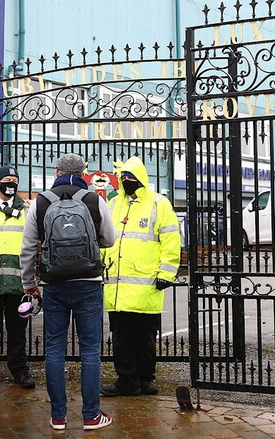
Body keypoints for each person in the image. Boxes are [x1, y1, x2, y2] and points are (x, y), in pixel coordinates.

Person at [19, 153, 117, 431]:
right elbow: (109, 239)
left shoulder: (41, 202)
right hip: (88, 281)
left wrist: (29, 282)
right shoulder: (94, 200)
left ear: (57, 171)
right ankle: (91, 416)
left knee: (54, 348)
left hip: (54, 283)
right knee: (90, 350)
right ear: (84, 173)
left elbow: (28, 247)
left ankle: (58, 417)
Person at [100, 157, 181, 396]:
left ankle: (145, 379)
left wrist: (167, 272)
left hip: (147, 284)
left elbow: (171, 239)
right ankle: (128, 379)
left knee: (145, 336)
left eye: (131, 177)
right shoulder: (114, 204)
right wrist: (101, 265)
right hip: (118, 285)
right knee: (122, 337)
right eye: (123, 177)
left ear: (141, 179)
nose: (127, 181)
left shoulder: (158, 203)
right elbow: (105, 238)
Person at [0, 166, 35, 390]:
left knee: (18, 332)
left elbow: (35, 243)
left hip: (18, 283)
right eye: (7, 179)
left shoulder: (27, 210)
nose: (11, 183)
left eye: (14, 180)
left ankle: (20, 371)